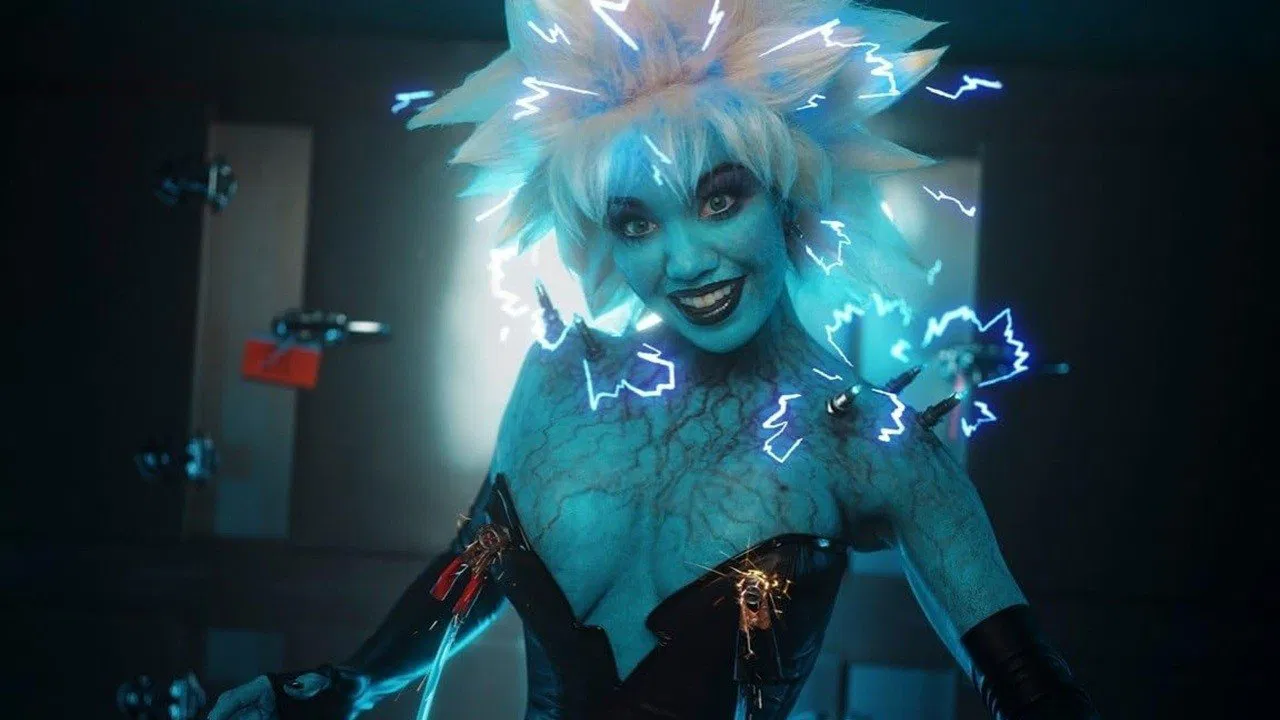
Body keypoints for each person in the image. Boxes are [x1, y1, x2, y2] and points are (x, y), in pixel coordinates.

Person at [210, 1, 1099, 718]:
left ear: (788, 194)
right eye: (637, 222)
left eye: (719, 201)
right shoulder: (560, 377)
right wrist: (347, 684)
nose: (684, 263)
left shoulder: (869, 439)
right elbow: (475, 566)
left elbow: (1032, 690)